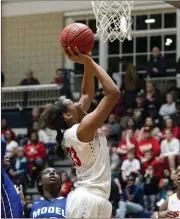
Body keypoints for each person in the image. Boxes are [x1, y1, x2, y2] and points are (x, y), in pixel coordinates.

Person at [37, 47, 120, 218]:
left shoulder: (75, 129)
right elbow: (113, 93)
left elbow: (86, 93)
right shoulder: (82, 130)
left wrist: (86, 60)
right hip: (89, 199)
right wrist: (90, 62)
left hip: (92, 198)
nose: (78, 102)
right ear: (68, 115)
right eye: (72, 103)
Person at [1, 138, 24, 218]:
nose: (6, 156)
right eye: (3, 154)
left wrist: (20, 200)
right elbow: (2, 142)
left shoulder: (5, 175)